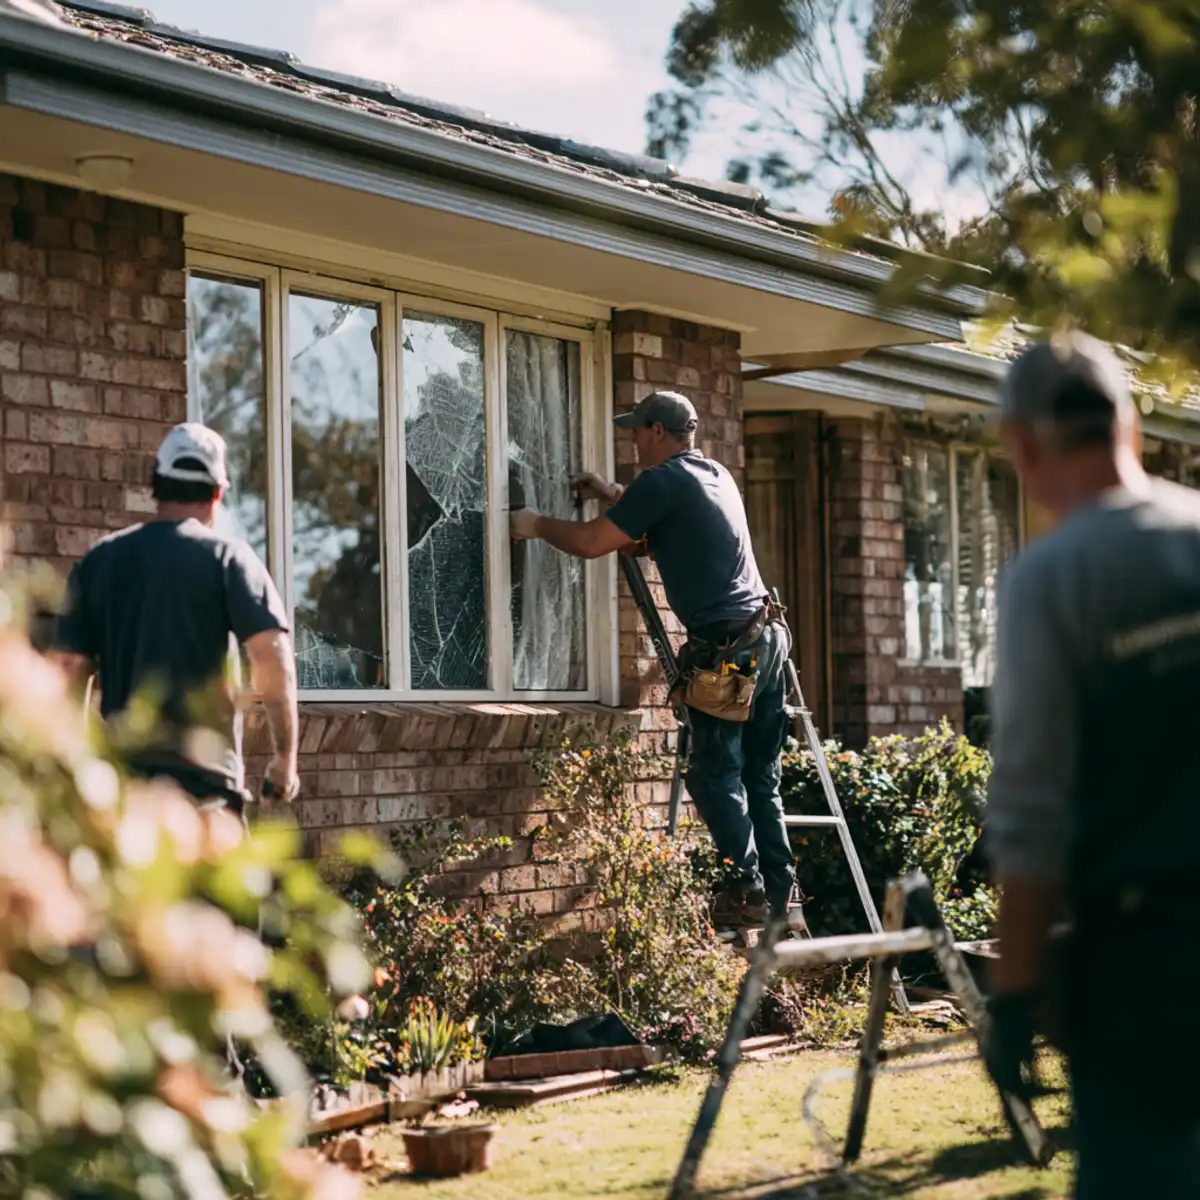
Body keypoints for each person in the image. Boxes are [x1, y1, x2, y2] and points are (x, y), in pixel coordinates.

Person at [983, 332, 1200, 1197]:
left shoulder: (1053, 579)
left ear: (1025, 448)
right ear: (1131, 426)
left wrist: (1014, 996)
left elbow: (1033, 815)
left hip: (1147, 968)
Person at [509, 389, 798, 935]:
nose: (633, 440)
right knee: (761, 778)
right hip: (768, 639)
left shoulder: (662, 482)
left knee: (715, 775)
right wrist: (614, 493)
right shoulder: (714, 474)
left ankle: (747, 889)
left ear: (658, 432)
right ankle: (783, 898)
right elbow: (661, 531)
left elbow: (598, 542)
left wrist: (534, 525)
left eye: (637, 431)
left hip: (729, 650)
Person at [49, 423, 300, 816]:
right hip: (207, 800)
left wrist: (76, 770)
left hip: (125, 799)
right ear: (218, 494)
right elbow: (272, 655)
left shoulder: (100, 560)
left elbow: (68, 670)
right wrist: (284, 759)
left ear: (156, 485)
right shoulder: (229, 560)